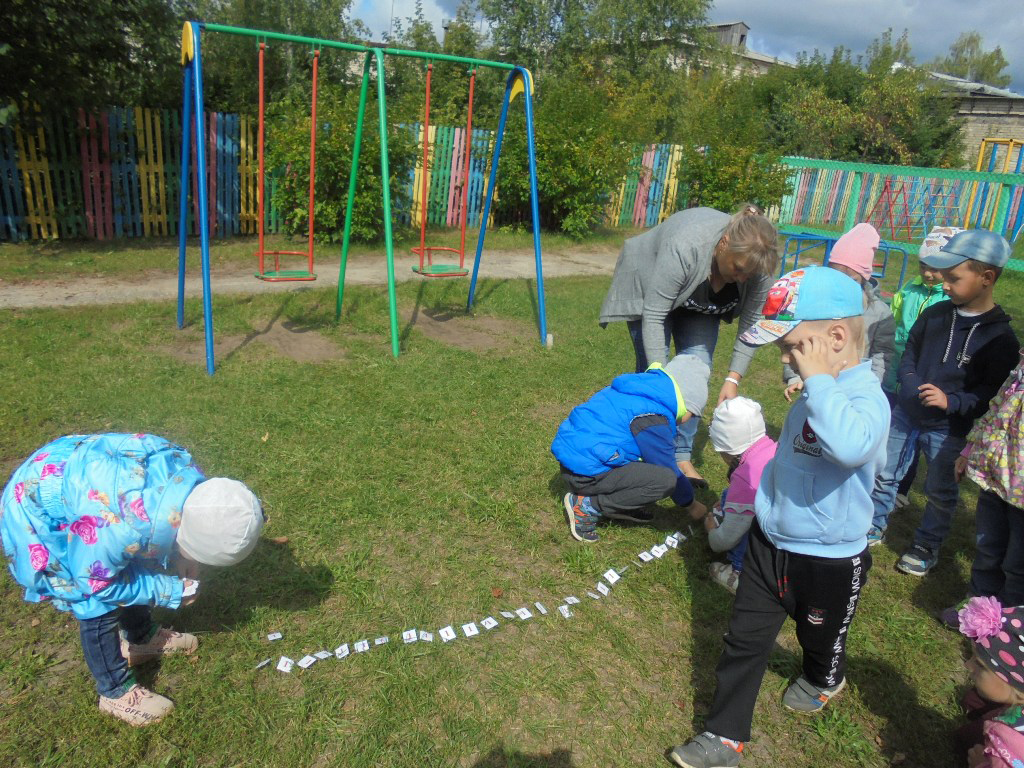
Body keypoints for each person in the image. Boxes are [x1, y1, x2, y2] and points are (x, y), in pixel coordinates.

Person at [670, 266, 888, 768]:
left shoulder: (865, 398)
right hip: (771, 546)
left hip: (829, 562)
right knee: (743, 640)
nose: (787, 360)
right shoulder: (818, 388)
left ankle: (823, 676)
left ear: (836, 337)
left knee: (820, 637)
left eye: (792, 348)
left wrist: (818, 386)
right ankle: (724, 737)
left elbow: (851, 445)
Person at [0, 433, 265, 726]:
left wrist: (185, 557)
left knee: (131, 561)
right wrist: (167, 590)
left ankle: (142, 637)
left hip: (81, 481)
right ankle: (114, 691)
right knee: (94, 603)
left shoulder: (184, 483)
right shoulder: (119, 525)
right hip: (37, 510)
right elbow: (96, 581)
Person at [869, 229, 1019, 573]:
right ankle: (873, 523)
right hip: (905, 414)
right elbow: (909, 353)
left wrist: (951, 402)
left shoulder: (1000, 339)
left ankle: (926, 544)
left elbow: (988, 395)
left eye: (953, 277)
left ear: (986, 278)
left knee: (939, 490)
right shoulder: (934, 315)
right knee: (884, 473)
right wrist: (909, 383)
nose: (944, 284)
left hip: (948, 429)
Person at [599, 205, 779, 487]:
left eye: (750, 275)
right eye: (739, 270)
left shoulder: (759, 264)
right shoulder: (688, 244)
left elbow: (751, 324)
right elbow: (655, 314)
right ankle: (643, 450)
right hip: (651, 286)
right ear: (724, 243)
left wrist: (733, 378)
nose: (743, 279)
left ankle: (681, 456)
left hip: (699, 303)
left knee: (697, 372)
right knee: (651, 378)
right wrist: (660, 374)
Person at [551, 354, 709, 543]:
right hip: (586, 474)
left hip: (576, 460)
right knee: (665, 480)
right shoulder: (654, 417)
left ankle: (624, 503)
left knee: (649, 466)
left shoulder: (637, 392)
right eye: (692, 413)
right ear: (686, 401)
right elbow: (668, 468)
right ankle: (586, 506)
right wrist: (691, 504)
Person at [943, 349, 1024, 625]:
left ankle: (1009, 628)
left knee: (1017, 565)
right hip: (995, 473)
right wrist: (968, 450)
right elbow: (997, 408)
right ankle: (979, 609)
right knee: (988, 546)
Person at [884, 226, 961, 513]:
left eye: (936, 269)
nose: (928, 274)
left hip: (923, 377)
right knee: (890, 428)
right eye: (923, 266)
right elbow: (894, 319)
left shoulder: (950, 299)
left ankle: (903, 487)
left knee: (911, 435)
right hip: (895, 370)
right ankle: (883, 480)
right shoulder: (909, 289)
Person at [783, 223, 895, 401]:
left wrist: (871, 386)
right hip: (816, 383)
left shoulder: (879, 313)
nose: (841, 282)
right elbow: (796, 340)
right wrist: (795, 376)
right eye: (836, 274)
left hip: (854, 390)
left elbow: (881, 355)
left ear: (864, 276)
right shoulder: (818, 300)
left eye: (850, 278)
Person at [694, 396, 777, 595]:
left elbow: (723, 541)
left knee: (743, 527)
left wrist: (712, 531)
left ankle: (739, 573)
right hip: (792, 530)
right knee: (728, 495)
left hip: (771, 543)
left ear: (727, 451)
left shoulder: (746, 480)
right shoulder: (774, 449)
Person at [952, 597, 1024, 767]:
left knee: (967, 738)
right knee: (973, 699)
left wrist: (982, 763)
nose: (967, 665)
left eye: (980, 665)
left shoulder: (1006, 743)